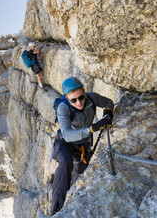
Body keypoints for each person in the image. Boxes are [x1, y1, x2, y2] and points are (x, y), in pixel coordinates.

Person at [51, 77, 114, 215]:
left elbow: (109, 102)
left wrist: (108, 114)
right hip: (64, 144)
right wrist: (91, 129)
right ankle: (56, 209)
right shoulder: (63, 108)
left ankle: (73, 199)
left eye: (81, 97)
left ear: (84, 92)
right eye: (73, 100)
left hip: (82, 146)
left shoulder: (92, 98)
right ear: (67, 99)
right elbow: (67, 134)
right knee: (66, 160)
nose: (79, 102)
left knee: (81, 173)